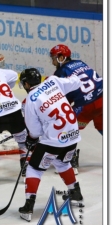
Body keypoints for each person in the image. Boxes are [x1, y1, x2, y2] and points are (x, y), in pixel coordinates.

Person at [18, 68, 84, 222]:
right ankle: (75, 192)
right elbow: (76, 81)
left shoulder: (30, 100)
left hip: (53, 141)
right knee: (62, 162)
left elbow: (34, 131)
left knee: (34, 168)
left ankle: (28, 206)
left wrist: (31, 139)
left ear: (27, 84)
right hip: (73, 136)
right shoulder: (53, 81)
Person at [49, 44, 103, 174]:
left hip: (86, 106)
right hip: (103, 98)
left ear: (61, 57)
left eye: (54, 58)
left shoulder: (60, 73)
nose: (52, 62)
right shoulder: (80, 62)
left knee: (67, 129)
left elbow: (64, 101)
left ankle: (70, 161)